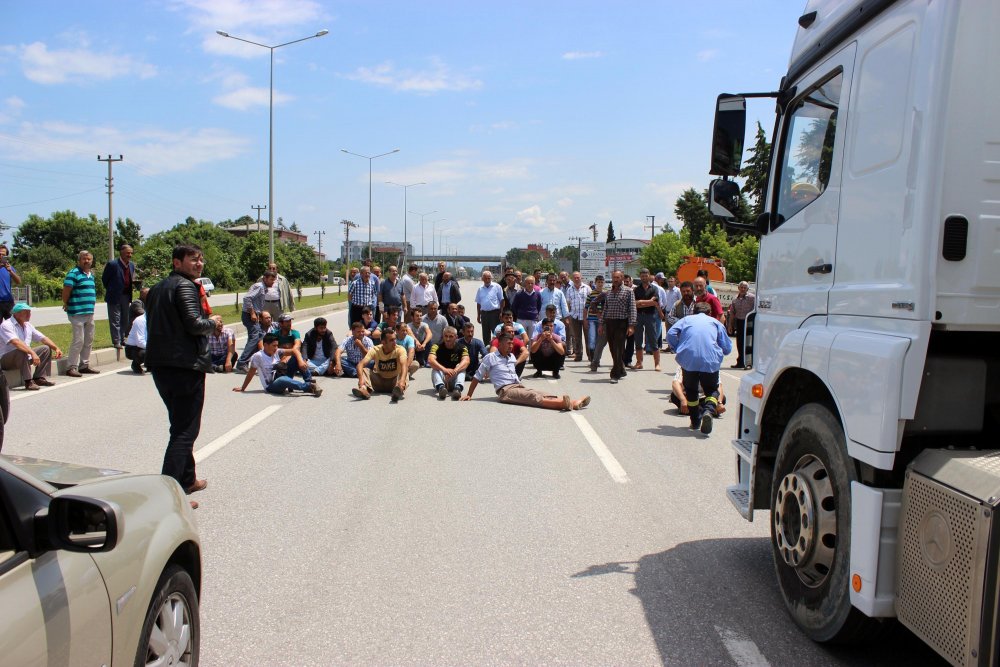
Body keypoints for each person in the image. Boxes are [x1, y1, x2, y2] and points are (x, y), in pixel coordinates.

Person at [145, 245, 215, 509]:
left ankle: (187, 479)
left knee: (180, 425)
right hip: (184, 366)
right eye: (193, 260)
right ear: (177, 262)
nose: (199, 264)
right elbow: (195, 324)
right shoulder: (185, 287)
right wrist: (214, 323)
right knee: (186, 431)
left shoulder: (158, 288)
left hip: (162, 366)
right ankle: (168, 498)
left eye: (200, 259)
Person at [461, 334, 590, 411]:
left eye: (512, 344)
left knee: (541, 393)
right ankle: (565, 404)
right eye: (508, 344)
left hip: (518, 386)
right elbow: (477, 376)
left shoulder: (511, 357)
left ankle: (573, 402)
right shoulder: (490, 358)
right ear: (499, 344)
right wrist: (469, 394)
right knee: (534, 398)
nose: (511, 346)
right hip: (506, 391)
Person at [667, 302, 733, 434]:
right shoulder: (715, 323)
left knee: (691, 390)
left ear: (693, 312)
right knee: (712, 390)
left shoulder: (686, 320)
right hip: (710, 361)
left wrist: (677, 347)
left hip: (689, 360)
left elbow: (670, 333)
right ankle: (708, 410)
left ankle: (695, 421)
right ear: (709, 313)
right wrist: (722, 350)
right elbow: (727, 347)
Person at [234, 334, 322, 397]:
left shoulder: (276, 351)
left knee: (297, 357)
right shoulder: (258, 356)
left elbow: (294, 351)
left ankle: (309, 381)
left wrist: (300, 361)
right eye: (274, 345)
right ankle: (309, 387)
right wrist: (243, 388)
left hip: (282, 374)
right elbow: (251, 373)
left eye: (277, 345)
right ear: (265, 345)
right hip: (272, 385)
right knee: (282, 379)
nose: (276, 348)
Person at [0, 303, 62, 389]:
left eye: (29, 312)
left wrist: (56, 348)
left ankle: (39, 378)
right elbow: (16, 342)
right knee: (22, 350)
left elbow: (43, 338)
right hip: (6, 360)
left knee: (46, 349)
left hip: (24, 357)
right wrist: (32, 353)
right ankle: (28, 382)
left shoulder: (28, 325)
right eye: (26, 312)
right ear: (16, 314)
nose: (29, 315)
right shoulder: (6, 325)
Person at [62, 250, 100, 377]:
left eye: (89, 259)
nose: (87, 261)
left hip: (89, 312)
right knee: (79, 340)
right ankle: (71, 367)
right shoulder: (73, 273)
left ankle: (84, 365)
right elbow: (66, 290)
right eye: (84, 259)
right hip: (77, 312)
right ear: (79, 260)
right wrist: (66, 303)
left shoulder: (91, 275)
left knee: (88, 340)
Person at [234, 270, 276, 373]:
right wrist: (252, 313)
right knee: (255, 337)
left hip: (254, 315)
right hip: (249, 315)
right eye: (271, 280)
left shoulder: (263, 288)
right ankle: (241, 363)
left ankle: (246, 362)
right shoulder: (259, 286)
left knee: (258, 337)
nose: (272, 282)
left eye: (274, 280)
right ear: (264, 278)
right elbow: (247, 299)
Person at [598, 270, 636, 384]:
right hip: (610, 323)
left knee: (619, 348)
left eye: (618, 277)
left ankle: (615, 374)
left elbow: (632, 309)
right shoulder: (609, 293)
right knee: (612, 348)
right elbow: (605, 309)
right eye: (614, 277)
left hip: (622, 323)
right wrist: (601, 323)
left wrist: (631, 325)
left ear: (622, 278)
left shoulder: (628, 292)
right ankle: (621, 368)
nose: (615, 280)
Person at [353, 328, 408, 402]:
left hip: (394, 382)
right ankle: (364, 390)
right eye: (391, 340)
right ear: (383, 342)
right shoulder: (375, 350)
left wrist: (402, 380)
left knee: (405, 373)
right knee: (365, 370)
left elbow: (404, 365)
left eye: (395, 339)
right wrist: (361, 380)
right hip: (379, 382)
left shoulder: (400, 349)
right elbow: (360, 364)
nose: (395, 342)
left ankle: (398, 391)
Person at [101, 243, 136, 348]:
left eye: (131, 253)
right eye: (127, 253)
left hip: (126, 296)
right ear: (121, 253)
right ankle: (116, 341)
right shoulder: (113, 264)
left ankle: (122, 339)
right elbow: (105, 279)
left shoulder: (131, 265)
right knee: (115, 319)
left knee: (125, 318)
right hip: (114, 296)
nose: (129, 255)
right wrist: (112, 289)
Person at [429, 326, 470, 400]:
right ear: (443, 336)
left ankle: (458, 389)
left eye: (451, 336)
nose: (448, 339)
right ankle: (441, 389)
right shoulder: (436, 346)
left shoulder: (462, 347)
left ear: (456, 337)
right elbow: (430, 360)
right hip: (442, 378)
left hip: (454, 377)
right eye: (446, 336)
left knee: (462, 367)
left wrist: (455, 370)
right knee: (434, 369)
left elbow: (466, 361)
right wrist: (444, 370)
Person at [633, 268, 661, 372]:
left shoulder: (654, 289)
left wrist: (641, 302)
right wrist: (647, 301)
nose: (644, 278)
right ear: (640, 277)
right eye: (642, 276)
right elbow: (635, 304)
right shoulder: (636, 289)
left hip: (650, 316)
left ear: (649, 276)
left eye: (646, 275)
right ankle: (639, 362)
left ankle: (657, 363)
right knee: (638, 340)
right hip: (639, 316)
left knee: (653, 339)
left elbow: (655, 303)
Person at [275, 313, 311, 383]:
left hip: (291, 360)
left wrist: (289, 357)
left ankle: (309, 382)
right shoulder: (275, 334)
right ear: (281, 324)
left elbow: (297, 346)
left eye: (290, 321)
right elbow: (271, 349)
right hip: (279, 363)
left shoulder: (294, 333)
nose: (289, 323)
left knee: (298, 358)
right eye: (287, 322)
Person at [728, 281, 756, 369]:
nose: (743, 289)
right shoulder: (735, 300)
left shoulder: (752, 298)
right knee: (739, 343)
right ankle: (740, 362)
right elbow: (732, 313)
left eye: (745, 287)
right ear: (738, 288)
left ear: (747, 289)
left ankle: (748, 362)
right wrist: (730, 325)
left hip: (749, 323)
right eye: (741, 287)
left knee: (748, 342)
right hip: (739, 322)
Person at [565, 272, 591, 363]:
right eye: (575, 278)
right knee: (577, 337)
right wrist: (568, 316)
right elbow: (568, 304)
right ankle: (578, 355)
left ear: (581, 278)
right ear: (572, 278)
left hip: (586, 317)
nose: (576, 279)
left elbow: (591, 302)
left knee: (588, 337)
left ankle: (590, 356)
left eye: (578, 277)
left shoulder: (587, 288)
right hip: (574, 316)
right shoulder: (569, 289)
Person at [475, 270, 504, 346]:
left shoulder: (497, 286)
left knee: (496, 332)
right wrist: (478, 315)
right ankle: (487, 350)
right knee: (485, 334)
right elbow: (478, 303)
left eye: (489, 278)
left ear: (491, 278)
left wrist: (501, 313)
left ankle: (497, 348)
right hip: (484, 314)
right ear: (482, 279)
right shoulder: (480, 289)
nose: (487, 280)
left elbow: (502, 300)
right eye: (485, 278)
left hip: (495, 313)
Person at [585, 275, 607, 367]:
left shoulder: (606, 293)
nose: (600, 284)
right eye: (598, 282)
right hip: (592, 320)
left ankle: (597, 360)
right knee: (592, 339)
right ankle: (592, 359)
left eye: (602, 282)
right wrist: (585, 320)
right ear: (595, 282)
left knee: (600, 341)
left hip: (602, 321)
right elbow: (586, 307)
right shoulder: (591, 294)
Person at [124, 301, 148, 374]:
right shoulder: (140, 320)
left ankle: (151, 366)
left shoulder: (155, 319)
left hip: (145, 345)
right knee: (145, 353)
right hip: (133, 348)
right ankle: (135, 364)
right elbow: (140, 342)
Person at [0, 244, 22, 320]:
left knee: (13, 324)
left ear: (6, 256)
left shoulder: (9, 268)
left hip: (8, 301)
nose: (1, 256)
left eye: (3, 255)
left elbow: (18, 281)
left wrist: (10, 271)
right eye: (0, 254)